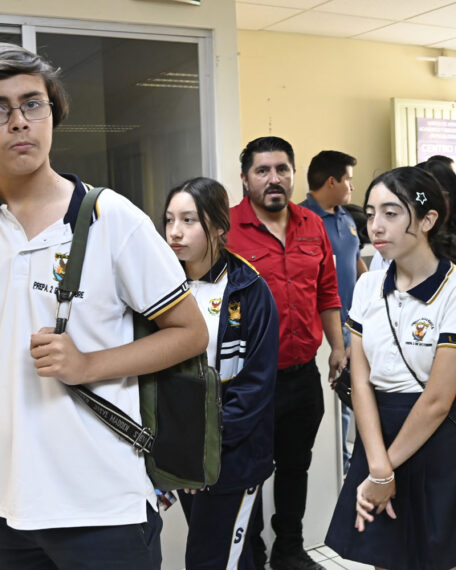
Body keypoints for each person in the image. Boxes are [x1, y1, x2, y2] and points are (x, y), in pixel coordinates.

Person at [0, 42, 207, 569]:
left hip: (104, 504)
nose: (19, 122)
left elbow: (190, 332)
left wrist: (88, 365)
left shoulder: (112, 219)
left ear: (53, 115)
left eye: (34, 104)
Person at [324, 166, 456, 570]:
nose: (376, 227)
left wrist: (385, 467)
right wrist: (378, 465)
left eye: (391, 213)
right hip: (377, 434)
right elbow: (361, 381)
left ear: (427, 219)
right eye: (370, 214)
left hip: (438, 436)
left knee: (445, 559)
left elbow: (438, 399)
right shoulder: (370, 284)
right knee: (385, 558)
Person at [227, 136, 345, 570]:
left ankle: (289, 551)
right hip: (248, 380)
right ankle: (251, 555)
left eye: (282, 169)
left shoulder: (312, 225)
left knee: (297, 465)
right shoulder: (226, 228)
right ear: (245, 179)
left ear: (293, 174)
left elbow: (327, 291)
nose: (274, 179)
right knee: (250, 472)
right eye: (263, 171)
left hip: (301, 375)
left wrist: (337, 346)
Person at [162, 177, 279, 570]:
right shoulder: (162, 284)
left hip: (232, 457)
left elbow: (255, 386)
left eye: (189, 220)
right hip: (182, 455)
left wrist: (208, 440)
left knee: (210, 560)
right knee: (226, 556)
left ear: (217, 228)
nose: (175, 232)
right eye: (169, 219)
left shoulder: (249, 290)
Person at [299, 149, 367, 473]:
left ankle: (349, 465)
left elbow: (354, 260)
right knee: (331, 406)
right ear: (331, 181)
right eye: (348, 181)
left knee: (352, 399)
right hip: (319, 325)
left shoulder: (346, 217)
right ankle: (336, 471)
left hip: (352, 323)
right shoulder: (298, 219)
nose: (352, 187)